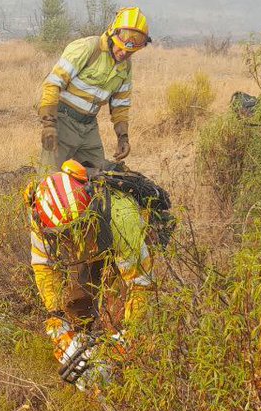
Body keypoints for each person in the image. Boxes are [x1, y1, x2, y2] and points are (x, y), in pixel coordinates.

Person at [27, 159, 168, 388]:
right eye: (65, 234)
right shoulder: (41, 211)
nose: (71, 237)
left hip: (124, 239)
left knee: (119, 311)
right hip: (94, 242)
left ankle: (130, 374)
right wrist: (58, 321)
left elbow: (141, 284)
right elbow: (43, 264)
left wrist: (123, 340)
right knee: (75, 302)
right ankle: (87, 353)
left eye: (77, 229)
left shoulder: (122, 217)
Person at [39, 7, 151, 170]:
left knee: (98, 179)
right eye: (121, 46)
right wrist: (49, 125)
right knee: (50, 180)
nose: (123, 53)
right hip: (63, 120)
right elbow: (53, 83)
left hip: (89, 127)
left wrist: (123, 138)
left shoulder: (125, 67)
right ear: (113, 33)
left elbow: (121, 105)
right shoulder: (88, 48)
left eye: (129, 51)